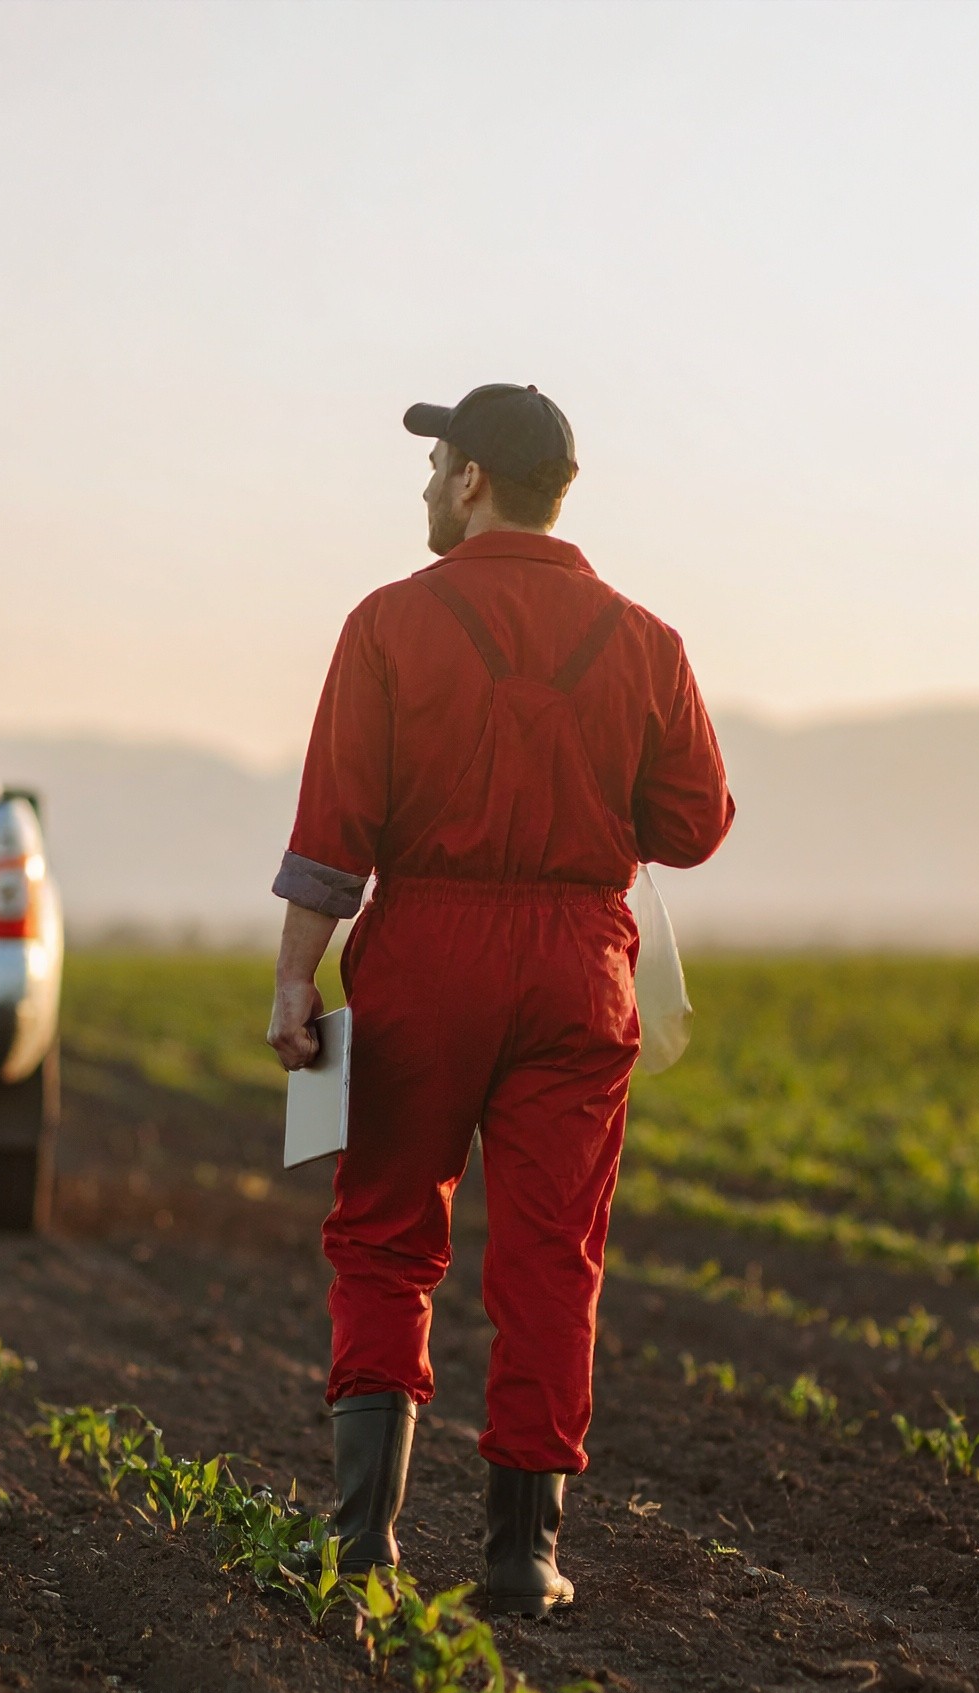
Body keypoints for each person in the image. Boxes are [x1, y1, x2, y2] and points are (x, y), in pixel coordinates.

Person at [266, 383, 735, 1616]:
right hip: (582, 965)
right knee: (550, 1258)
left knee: (383, 1235)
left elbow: (333, 834)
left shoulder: (385, 626)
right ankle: (526, 1554)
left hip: (425, 954)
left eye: (436, 466)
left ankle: (364, 1543)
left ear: (473, 480)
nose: (424, 486)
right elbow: (694, 827)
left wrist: (293, 980)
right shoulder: (648, 642)